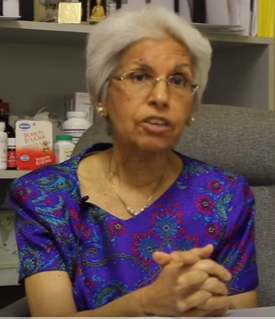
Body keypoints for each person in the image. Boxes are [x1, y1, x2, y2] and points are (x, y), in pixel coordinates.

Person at [9, 4, 258, 317]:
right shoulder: (43, 195)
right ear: (101, 97)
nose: (161, 96)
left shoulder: (226, 194)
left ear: (191, 107)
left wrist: (207, 302)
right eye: (140, 76)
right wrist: (145, 305)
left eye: (179, 80)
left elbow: (245, 310)